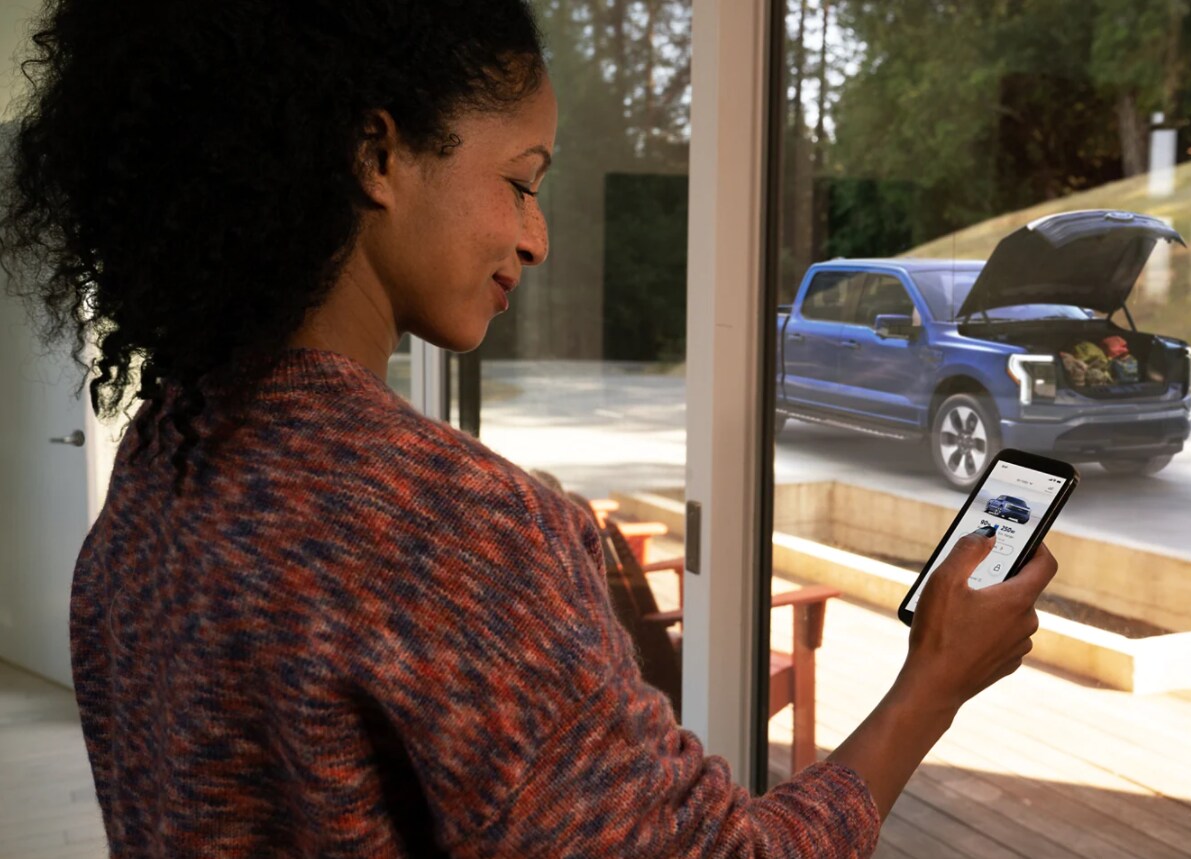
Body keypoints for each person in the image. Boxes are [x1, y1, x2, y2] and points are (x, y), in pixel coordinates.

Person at [0, 1, 1056, 855]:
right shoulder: (451, 531)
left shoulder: (159, 471)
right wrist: (936, 679)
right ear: (378, 153)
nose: (537, 238)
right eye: (520, 182)